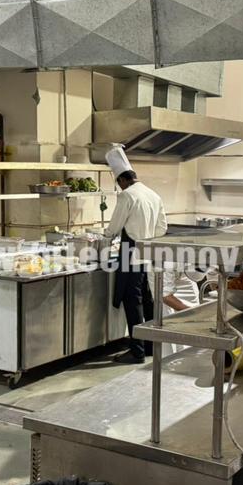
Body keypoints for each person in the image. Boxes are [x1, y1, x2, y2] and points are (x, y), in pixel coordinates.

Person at [104, 146, 167, 364]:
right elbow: (162, 228)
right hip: (148, 250)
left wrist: (104, 239)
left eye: (118, 183)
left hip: (130, 251)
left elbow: (114, 227)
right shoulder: (153, 195)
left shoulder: (127, 196)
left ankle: (137, 351)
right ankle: (150, 345)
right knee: (147, 299)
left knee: (133, 301)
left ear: (121, 180)